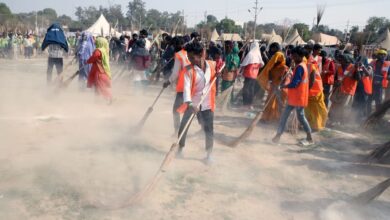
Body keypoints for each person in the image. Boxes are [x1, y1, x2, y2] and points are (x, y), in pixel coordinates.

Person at [177, 42, 217, 164]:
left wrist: (218, 75)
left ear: (201, 54)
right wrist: (190, 104)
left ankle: (209, 154)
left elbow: (214, 78)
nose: (189, 59)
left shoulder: (212, 65)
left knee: (209, 129)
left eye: (191, 57)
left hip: (207, 103)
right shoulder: (188, 70)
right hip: (192, 103)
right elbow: (187, 89)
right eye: (188, 57)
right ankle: (180, 148)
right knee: (184, 126)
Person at [272, 46, 313, 144]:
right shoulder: (302, 65)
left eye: (294, 55)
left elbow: (295, 83)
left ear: (300, 56)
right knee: (286, 116)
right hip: (296, 97)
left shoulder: (300, 67)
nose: (292, 57)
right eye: (292, 55)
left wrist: (283, 86)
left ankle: (309, 137)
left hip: (298, 97)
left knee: (300, 117)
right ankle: (278, 136)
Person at [163, 37, 191, 134]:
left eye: (173, 45)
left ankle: (177, 132)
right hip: (191, 85)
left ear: (176, 45)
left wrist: (168, 82)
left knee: (176, 110)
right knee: (187, 108)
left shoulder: (179, 55)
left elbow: (175, 73)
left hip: (183, 87)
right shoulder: (187, 53)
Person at [257, 42, 288, 123]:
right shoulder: (273, 66)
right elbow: (270, 72)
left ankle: (277, 119)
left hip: (280, 88)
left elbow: (284, 78)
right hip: (273, 86)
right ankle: (267, 117)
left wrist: (280, 84)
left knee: (279, 103)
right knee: (269, 102)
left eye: (272, 48)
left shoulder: (283, 67)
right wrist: (271, 81)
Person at [329, 52, 359, 123]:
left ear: (346, 60)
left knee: (344, 107)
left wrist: (357, 69)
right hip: (339, 89)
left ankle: (341, 122)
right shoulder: (339, 67)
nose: (339, 60)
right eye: (339, 59)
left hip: (348, 90)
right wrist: (335, 84)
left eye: (341, 59)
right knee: (334, 104)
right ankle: (333, 119)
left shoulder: (353, 67)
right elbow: (336, 78)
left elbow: (358, 78)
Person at [304, 48, 328, 131]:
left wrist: (307, 90)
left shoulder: (310, 63)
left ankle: (316, 125)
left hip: (315, 89)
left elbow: (313, 78)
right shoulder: (307, 62)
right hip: (311, 89)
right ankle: (309, 124)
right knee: (309, 108)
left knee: (316, 108)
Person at [87, 37, 112, 103]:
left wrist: (88, 61)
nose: (95, 43)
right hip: (104, 70)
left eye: (97, 42)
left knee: (100, 86)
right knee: (98, 86)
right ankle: (97, 100)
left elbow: (94, 57)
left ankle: (110, 98)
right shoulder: (105, 50)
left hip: (99, 71)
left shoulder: (98, 50)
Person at [240, 42, 264, 110]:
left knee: (246, 89)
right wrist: (256, 66)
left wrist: (240, 69)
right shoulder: (258, 54)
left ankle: (245, 104)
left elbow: (244, 64)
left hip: (248, 74)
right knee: (251, 90)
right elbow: (262, 64)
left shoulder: (250, 54)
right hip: (254, 75)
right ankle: (250, 104)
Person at [367, 49, 390, 114]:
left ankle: (377, 115)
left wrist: (388, 77)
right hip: (371, 84)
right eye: (380, 55)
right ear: (378, 55)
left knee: (378, 101)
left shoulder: (388, 64)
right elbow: (368, 69)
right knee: (369, 100)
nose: (382, 56)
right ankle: (368, 114)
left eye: (384, 55)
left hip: (380, 86)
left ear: (386, 56)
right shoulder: (373, 62)